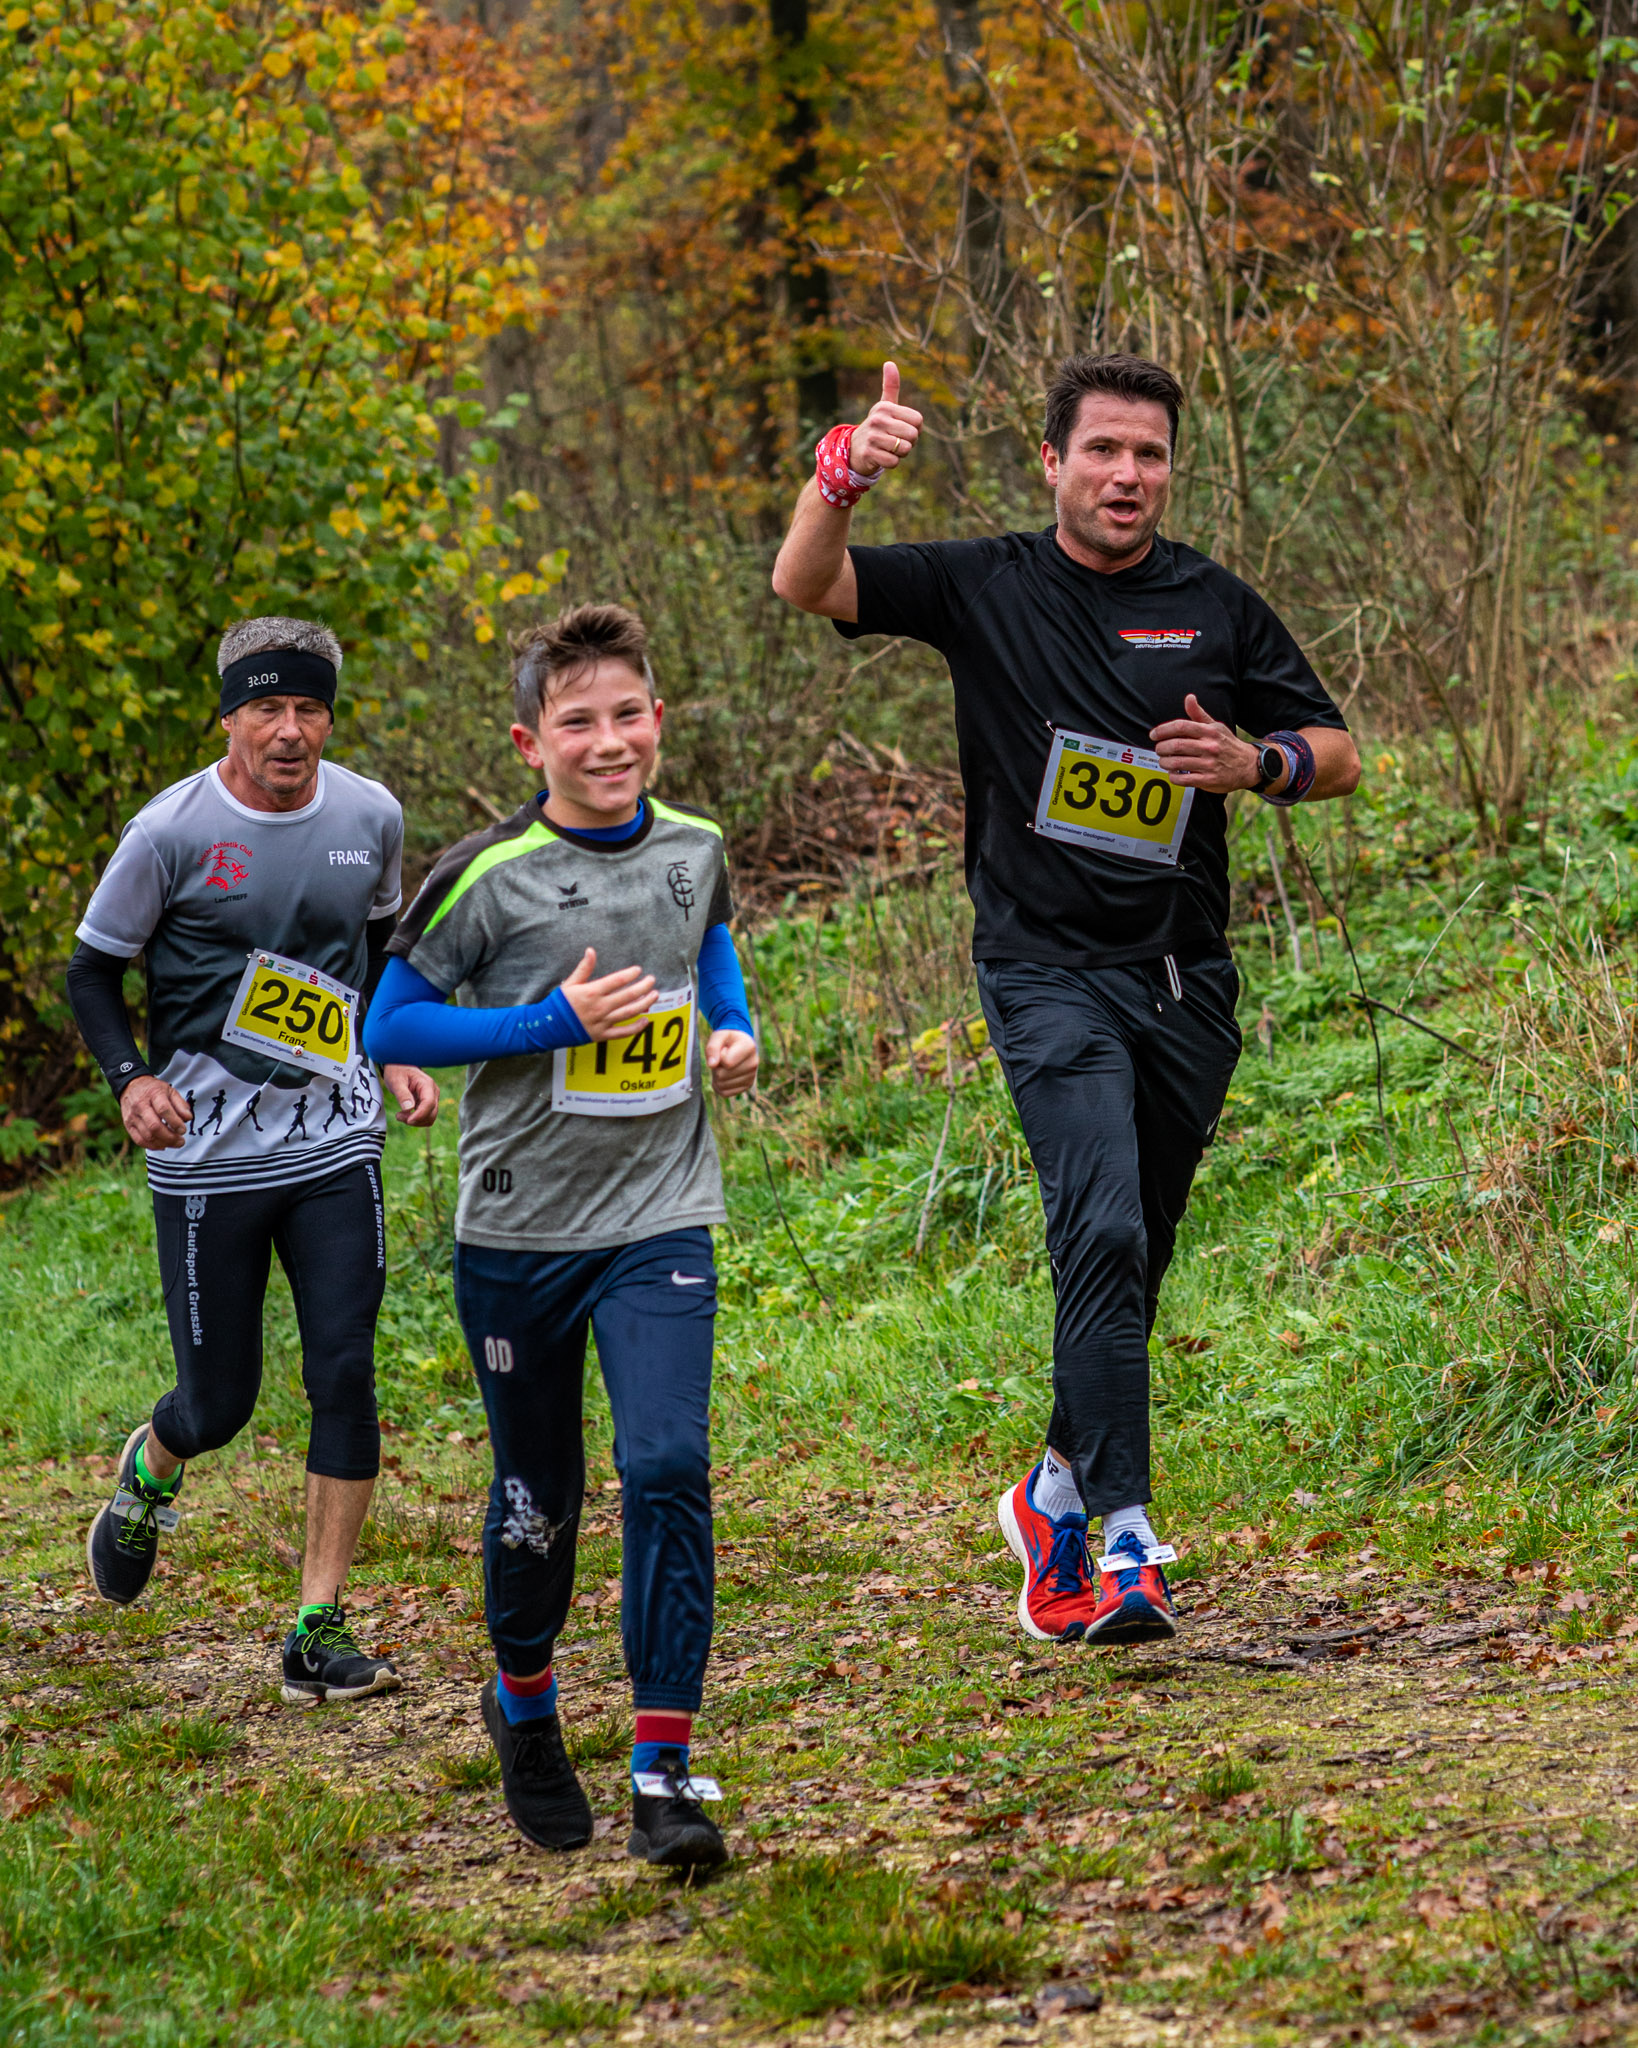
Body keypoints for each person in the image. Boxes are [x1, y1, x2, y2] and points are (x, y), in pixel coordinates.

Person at [772, 354, 1360, 1645]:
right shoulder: (985, 583)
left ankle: (1048, 1493)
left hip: (1184, 977)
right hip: (1042, 970)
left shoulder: (1212, 602)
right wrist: (840, 476)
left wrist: (1255, 762)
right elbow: (808, 581)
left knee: (1129, 1254)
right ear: (1052, 462)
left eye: (1148, 454)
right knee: (1097, 1228)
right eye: (1102, 449)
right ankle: (1126, 1540)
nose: (1126, 475)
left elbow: (1338, 753)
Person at [363, 602, 758, 1866]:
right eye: (578, 722)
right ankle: (524, 1704)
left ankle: (664, 1770)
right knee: (540, 1495)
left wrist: (732, 1028)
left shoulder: (696, 845)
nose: (609, 741)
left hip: (661, 1214)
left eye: (627, 714)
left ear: (660, 719)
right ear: (532, 742)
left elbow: (708, 943)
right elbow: (391, 1024)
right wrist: (549, 1025)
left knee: (668, 1465)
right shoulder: (486, 874)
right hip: (521, 1230)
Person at [66, 616, 440, 1701]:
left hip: (334, 1138)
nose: (289, 730)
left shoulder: (370, 814)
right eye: (267, 707)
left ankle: (316, 1627)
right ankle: (155, 1460)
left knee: (345, 1369)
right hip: (208, 1155)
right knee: (218, 1404)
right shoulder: (167, 833)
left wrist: (395, 1049)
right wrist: (131, 1078)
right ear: (227, 716)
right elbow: (92, 972)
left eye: (309, 707)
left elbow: (380, 951)